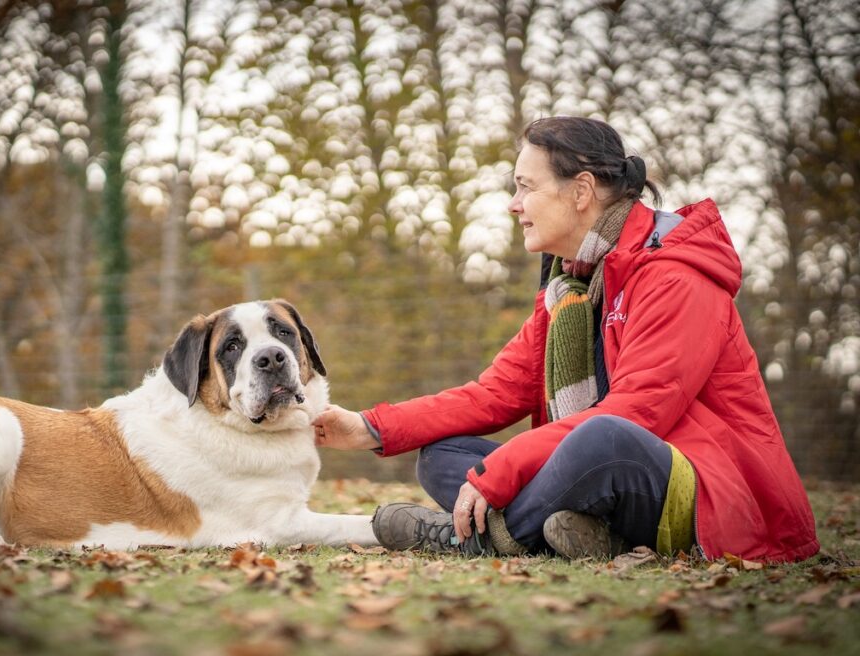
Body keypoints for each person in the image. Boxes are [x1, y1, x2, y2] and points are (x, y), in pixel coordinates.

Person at [312, 116, 818, 563]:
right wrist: (371, 428)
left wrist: (504, 470)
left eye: (525, 187)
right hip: (603, 475)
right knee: (442, 453)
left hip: (705, 490)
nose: (514, 205)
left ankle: (465, 538)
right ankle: (581, 536)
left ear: (580, 192)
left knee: (601, 438)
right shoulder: (568, 287)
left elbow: (637, 413)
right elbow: (497, 393)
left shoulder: (675, 275)